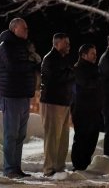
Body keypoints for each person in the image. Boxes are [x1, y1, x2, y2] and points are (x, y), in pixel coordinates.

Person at [0, 18, 41, 179]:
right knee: (11, 134)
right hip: (10, 95)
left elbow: (30, 65)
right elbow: (13, 67)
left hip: (23, 95)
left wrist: (33, 61)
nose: (27, 30)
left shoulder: (23, 46)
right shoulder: (6, 46)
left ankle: (16, 167)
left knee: (20, 135)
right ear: (15, 29)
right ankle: (9, 169)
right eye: (24, 28)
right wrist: (31, 63)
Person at [40, 33, 74, 177]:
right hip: (52, 102)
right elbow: (56, 79)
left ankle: (59, 166)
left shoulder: (62, 59)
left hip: (64, 102)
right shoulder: (50, 59)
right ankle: (49, 168)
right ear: (57, 43)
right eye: (65, 43)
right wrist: (72, 73)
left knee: (63, 136)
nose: (68, 46)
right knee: (53, 136)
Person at [71, 44, 102, 171]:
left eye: (95, 53)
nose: (95, 56)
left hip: (94, 109)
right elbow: (87, 84)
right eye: (92, 53)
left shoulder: (94, 69)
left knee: (92, 138)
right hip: (82, 110)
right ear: (84, 55)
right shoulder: (78, 69)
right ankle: (78, 165)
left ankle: (85, 164)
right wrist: (100, 80)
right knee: (81, 138)